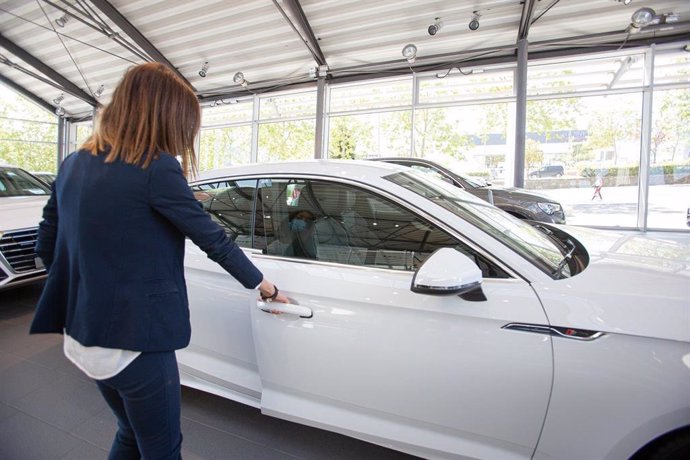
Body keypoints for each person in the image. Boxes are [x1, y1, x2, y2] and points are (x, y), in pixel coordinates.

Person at [29, 62, 288, 460]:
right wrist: (263, 284)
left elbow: (47, 241)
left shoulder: (74, 163)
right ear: (165, 116)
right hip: (134, 345)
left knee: (130, 433)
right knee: (162, 450)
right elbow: (212, 239)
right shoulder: (155, 167)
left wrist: (86, 291)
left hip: (81, 336)